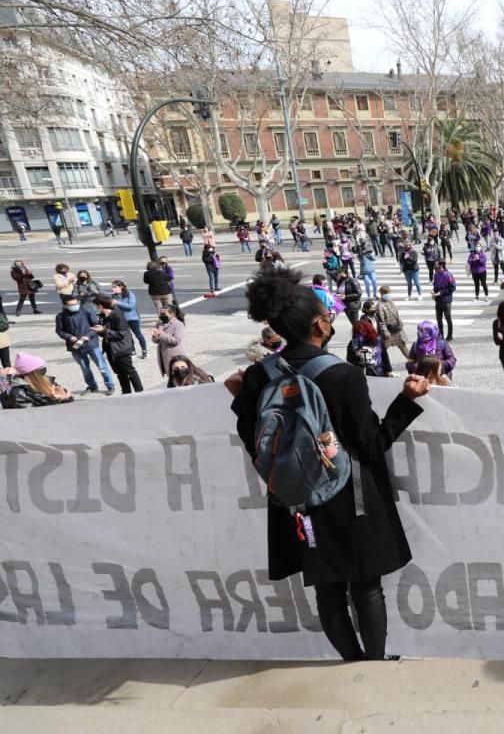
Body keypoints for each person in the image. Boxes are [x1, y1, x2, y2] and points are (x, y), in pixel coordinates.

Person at [227, 268, 429, 661]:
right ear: (320, 324)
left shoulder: (258, 376)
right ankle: (372, 663)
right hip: (348, 498)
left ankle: (350, 661)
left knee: (327, 586)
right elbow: (371, 445)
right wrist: (407, 401)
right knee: (365, 586)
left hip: (296, 502)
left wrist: (240, 397)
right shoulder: (343, 374)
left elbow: (252, 435)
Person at [55, 296, 116, 395]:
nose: (74, 306)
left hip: (91, 343)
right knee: (85, 368)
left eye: (76, 304)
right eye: (71, 305)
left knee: (102, 366)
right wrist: (69, 337)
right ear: (65, 306)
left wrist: (88, 336)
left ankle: (110, 385)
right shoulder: (61, 316)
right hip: (75, 346)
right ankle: (92, 386)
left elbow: (96, 326)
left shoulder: (86, 312)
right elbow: (59, 330)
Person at [93, 295, 143, 394]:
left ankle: (140, 392)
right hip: (111, 349)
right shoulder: (103, 317)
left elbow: (121, 334)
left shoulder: (117, 316)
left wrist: (104, 330)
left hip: (122, 348)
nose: (95, 308)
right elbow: (106, 334)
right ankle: (126, 393)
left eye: (96, 306)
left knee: (129, 371)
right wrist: (99, 331)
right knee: (119, 373)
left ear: (100, 306)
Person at [0, 352, 73, 408]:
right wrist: (56, 400)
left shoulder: (49, 382)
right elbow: (33, 418)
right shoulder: (19, 394)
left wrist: (65, 397)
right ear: (34, 374)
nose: (44, 374)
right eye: (42, 370)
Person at [110, 280, 149, 359]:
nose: (113, 289)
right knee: (128, 336)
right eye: (112, 287)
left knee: (138, 335)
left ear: (121, 287)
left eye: (114, 287)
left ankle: (144, 351)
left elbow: (130, 306)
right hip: (122, 319)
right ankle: (132, 351)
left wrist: (117, 303)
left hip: (132, 318)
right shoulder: (113, 296)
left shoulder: (129, 294)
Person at [150, 303, 187, 378]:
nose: (161, 315)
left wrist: (161, 334)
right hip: (164, 354)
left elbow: (176, 340)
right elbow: (156, 341)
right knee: (170, 376)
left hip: (175, 355)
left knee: (179, 376)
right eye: (161, 313)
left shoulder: (178, 324)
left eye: (164, 313)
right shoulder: (159, 323)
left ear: (172, 314)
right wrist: (154, 335)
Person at [431, 260, 456, 340]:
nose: (435, 267)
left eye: (436, 265)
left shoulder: (448, 275)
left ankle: (449, 336)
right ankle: (440, 335)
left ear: (441, 266)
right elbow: (435, 286)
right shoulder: (436, 275)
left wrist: (441, 293)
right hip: (438, 300)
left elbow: (452, 288)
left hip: (446, 300)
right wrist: (434, 293)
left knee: (448, 318)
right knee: (438, 319)